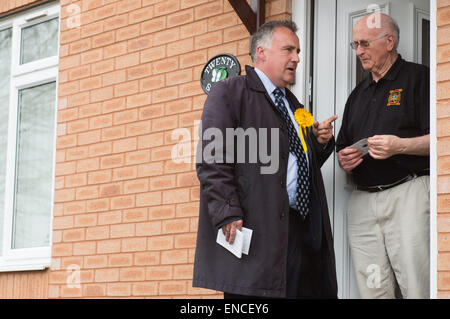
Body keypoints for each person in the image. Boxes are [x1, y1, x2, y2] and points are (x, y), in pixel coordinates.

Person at [193, 20, 338, 299]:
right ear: (262, 52)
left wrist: (320, 143)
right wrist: (227, 211)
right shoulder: (230, 91)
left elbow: (297, 164)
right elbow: (212, 157)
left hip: (301, 234)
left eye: (298, 51)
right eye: (288, 50)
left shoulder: (297, 107)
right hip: (256, 232)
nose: (296, 58)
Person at [336, 13, 430, 299]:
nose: (359, 51)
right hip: (363, 202)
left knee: (417, 285)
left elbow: (440, 141)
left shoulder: (419, 78)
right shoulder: (358, 93)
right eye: (355, 45)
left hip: (408, 194)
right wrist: (345, 160)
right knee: (373, 289)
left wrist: (399, 146)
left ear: (389, 42)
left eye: (364, 43)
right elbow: (344, 147)